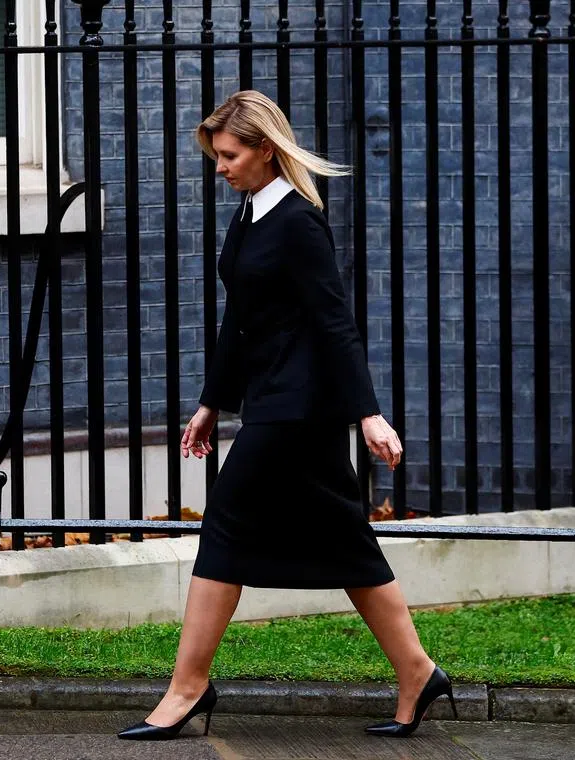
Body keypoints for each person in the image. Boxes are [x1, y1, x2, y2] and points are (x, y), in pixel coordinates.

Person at [117, 90, 454, 741]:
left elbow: (334, 322)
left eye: (229, 154)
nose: (220, 166)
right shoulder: (250, 215)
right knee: (345, 539)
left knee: (226, 527)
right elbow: (239, 320)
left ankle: (188, 688)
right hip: (273, 401)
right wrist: (213, 401)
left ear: (266, 150)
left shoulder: (298, 222)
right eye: (217, 155)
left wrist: (370, 416)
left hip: (301, 411)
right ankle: (417, 671)